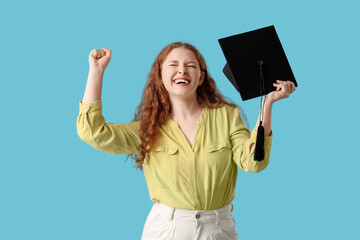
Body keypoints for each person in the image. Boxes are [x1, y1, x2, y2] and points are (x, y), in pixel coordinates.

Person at [77, 42, 296, 240]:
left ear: (201, 78)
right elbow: (94, 132)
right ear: (160, 76)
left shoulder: (226, 116)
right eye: (173, 64)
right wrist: (96, 72)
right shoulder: (149, 126)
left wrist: (267, 104)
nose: (182, 69)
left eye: (190, 66)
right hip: (166, 230)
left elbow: (253, 162)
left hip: (218, 229)